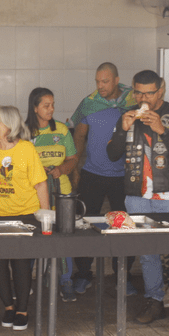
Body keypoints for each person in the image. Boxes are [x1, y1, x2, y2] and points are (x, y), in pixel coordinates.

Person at [107, 70, 169, 330]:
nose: (143, 98)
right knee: (148, 252)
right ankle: (154, 301)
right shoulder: (126, 115)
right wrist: (122, 130)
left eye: (149, 93)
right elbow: (112, 154)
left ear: (161, 90)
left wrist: (162, 130)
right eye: (138, 92)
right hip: (137, 196)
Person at [0, 106, 50, 331]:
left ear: (10, 124)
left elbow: (41, 184)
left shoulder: (27, 149)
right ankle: (8, 307)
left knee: (21, 265)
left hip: (25, 216)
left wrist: (46, 217)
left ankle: (22, 310)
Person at [70, 63, 135, 296]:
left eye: (105, 81)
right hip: (92, 174)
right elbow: (79, 136)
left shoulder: (133, 101)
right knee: (84, 225)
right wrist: (75, 169)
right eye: (97, 81)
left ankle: (123, 277)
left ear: (116, 80)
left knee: (126, 228)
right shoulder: (90, 103)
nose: (100, 86)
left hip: (124, 177)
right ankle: (83, 274)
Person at [25, 88, 78, 302]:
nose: (51, 109)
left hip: (61, 191)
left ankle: (65, 281)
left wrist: (60, 170)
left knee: (63, 237)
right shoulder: (25, 132)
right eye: (46, 105)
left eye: (53, 105)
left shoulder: (62, 130)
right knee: (32, 237)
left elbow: (73, 159)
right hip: (33, 194)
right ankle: (25, 282)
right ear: (35, 108)